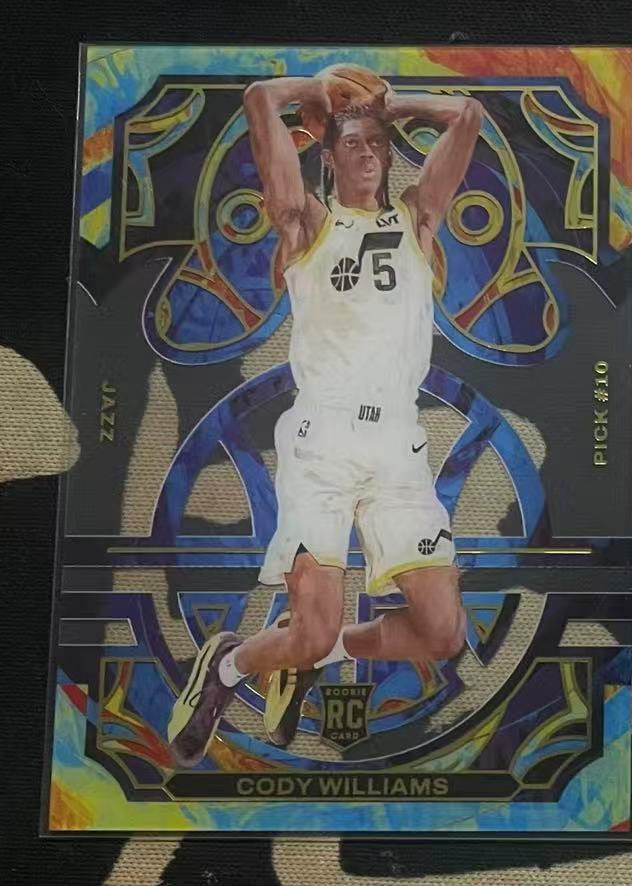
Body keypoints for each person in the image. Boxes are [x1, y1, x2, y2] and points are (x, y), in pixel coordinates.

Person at [167, 68, 482, 766]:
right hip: (325, 441)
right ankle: (228, 666)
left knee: (443, 632)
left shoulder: (417, 221)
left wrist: (390, 104)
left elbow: (466, 116)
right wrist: (312, 90)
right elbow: (258, 100)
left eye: (377, 142)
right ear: (329, 158)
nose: (367, 151)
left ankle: (316, 653)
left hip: (398, 444)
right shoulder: (307, 222)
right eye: (352, 142)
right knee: (306, 631)